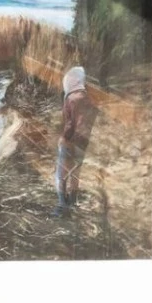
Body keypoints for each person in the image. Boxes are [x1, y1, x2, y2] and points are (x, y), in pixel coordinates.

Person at [54, 65, 95, 216]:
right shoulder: (88, 99)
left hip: (70, 143)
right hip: (83, 143)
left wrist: (64, 139)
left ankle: (62, 206)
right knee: (75, 173)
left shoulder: (71, 98)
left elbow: (70, 124)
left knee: (60, 174)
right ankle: (73, 202)